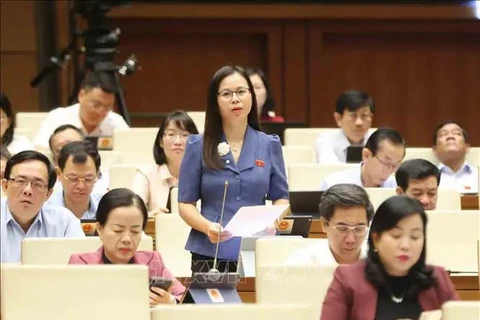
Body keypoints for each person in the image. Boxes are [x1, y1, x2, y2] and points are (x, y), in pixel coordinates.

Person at [178, 65, 289, 273]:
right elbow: (185, 203)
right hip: (210, 251)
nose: (235, 99)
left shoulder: (270, 144)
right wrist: (206, 226)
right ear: (215, 101)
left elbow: (281, 198)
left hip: (258, 249)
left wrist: (274, 221)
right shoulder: (197, 145)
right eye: (227, 94)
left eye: (241, 92)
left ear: (251, 96)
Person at [320, 195, 459, 320]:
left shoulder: (437, 278)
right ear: (376, 238)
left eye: (415, 237)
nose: (405, 245)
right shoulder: (348, 279)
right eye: (396, 236)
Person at [68, 188, 185, 304]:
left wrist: (170, 302)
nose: (127, 239)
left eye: (135, 231)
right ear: (100, 229)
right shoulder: (81, 264)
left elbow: (183, 297)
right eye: (118, 230)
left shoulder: (153, 261)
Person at [1, 150, 85, 263]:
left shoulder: (65, 222)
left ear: (48, 194)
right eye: (21, 181)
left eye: (37, 184)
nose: (28, 190)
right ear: (5, 186)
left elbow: (81, 268)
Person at [33, 71, 129, 150]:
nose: (101, 112)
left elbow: (130, 150)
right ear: (81, 95)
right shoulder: (58, 117)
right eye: (96, 105)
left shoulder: (116, 122)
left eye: (107, 107)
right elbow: (41, 149)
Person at [287, 184, 374, 265]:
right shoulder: (302, 263)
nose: (351, 239)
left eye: (359, 229)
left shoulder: (380, 263)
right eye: (342, 228)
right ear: (324, 224)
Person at [132, 111, 198, 213]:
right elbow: (132, 211)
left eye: (184, 135)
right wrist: (151, 216)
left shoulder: (205, 174)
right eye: (171, 134)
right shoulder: (146, 174)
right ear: (161, 142)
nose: (177, 142)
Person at [320, 128, 405, 191]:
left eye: (395, 165)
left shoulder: (397, 189)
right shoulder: (334, 185)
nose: (389, 171)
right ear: (366, 155)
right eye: (386, 163)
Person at [46, 141, 104, 219]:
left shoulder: (106, 208)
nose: (81, 186)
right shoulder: (45, 209)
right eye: (73, 178)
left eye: (88, 179)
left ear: (97, 175)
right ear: (59, 174)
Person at [315, 90, 376, 163]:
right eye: (353, 116)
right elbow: (330, 170)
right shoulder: (326, 140)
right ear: (339, 118)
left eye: (364, 115)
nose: (359, 123)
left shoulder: (378, 140)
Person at [433, 120, 478, 194]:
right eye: (443, 134)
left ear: (467, 147)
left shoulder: (477, 175)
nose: (450, 137)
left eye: (457, 133)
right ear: (435, 150)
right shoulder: (427, 178)